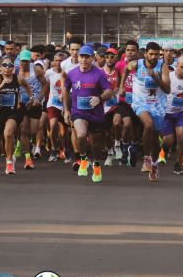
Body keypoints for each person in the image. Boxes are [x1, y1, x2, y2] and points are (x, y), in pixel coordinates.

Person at [63, 45, 113, 183]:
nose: (84, 59)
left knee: (96, 145)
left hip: (95, 114)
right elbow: (66, 90)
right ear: (78, 57)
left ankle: (96, 164)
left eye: (87, 57)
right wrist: (66, 110)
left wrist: (100, 98)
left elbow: (109, 91)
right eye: (81, 56)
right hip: (78, 112)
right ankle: (83, 157)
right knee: (80, 134)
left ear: (92, 58)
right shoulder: (72, 73)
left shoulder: (99, 74)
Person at [121, 41, 171, 182]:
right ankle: (146, 158)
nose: (154, 56)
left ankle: (154, 165)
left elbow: (167, 89)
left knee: (155, 139)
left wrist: (156, 77)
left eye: (157, 54)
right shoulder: (137, 64)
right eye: (151, 54)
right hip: (140, 102)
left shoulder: (163, 67)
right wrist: (121, 86)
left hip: (158, 105)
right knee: (148, 124)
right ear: (145, 54)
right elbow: (125, 69)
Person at [0, 56, 33, 175]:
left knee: (8, 134)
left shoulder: (18, 78)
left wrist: (31, 98)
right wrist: (1, 85)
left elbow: (27, 86)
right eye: (4, 65)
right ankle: (0, 161)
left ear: (14, 67)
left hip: (14, 111)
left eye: (10, 65)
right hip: (0, 112)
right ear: (1, 67)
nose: (7, 68)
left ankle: (9, 163)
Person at [18, 49, 48, 168]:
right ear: (19, 60)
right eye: (22, 61)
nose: (24, 63)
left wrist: (39, 98)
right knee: (24, 130)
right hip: (22, 103)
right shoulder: (15, 70)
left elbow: (45, 84)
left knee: (34, 131)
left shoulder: (36, 70)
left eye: (26, 61)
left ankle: (29, 143)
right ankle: (28, 158)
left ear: (30, 60)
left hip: (35, 103)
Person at [45, 51, 68, 162]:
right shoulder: (48, 73)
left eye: (61, 61)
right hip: (53, 104)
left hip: (65, 105)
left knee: (63, 131)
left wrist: (65, 96)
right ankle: (54, 148)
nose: (58, 63)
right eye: (56, 60)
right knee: (53, 125)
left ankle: (65, 150)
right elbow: (44, 85)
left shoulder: (69, 73)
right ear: (53, 61)